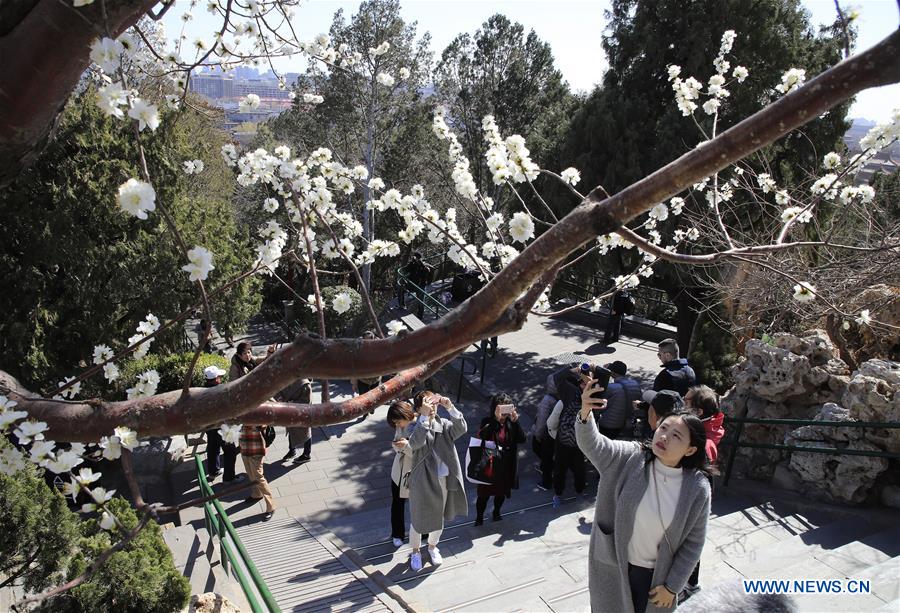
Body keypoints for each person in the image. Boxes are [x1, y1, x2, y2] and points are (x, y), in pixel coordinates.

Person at [577, 375, 713, 613]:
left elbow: (693, 543)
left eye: (676, 436)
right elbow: (595, 445)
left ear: (690, 449)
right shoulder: (630, 457)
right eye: (664, 428)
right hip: (613, 564)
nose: (664, 437)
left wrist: (672, 587)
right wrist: (585, 413)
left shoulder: (697, 488)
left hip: (656, 579)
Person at [406, 391, 468, 572]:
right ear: (419, 408)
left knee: (439, 517)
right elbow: (415, 444)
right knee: (418, 517)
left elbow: (461, 428)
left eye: (434, 403)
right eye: (427, 404)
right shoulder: (413, 427)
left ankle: (432, 547)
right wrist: (424, 418)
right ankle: (415, 551)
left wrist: (450, 407)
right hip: (422, 480)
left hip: (444, 478)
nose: (432, 407)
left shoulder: (444, 424)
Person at [547, 364, 609, 507]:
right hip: (562, 440)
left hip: (581, 443)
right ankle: (557, 494)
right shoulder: (570, 392)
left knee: (580, 470)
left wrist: (594, 368)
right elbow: (557, 378)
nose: (584, 384)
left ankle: (580, 492)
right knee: (559, 470)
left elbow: (605, 375)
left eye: (587, 381)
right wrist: (572, 370)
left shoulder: (595, 396)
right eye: (582, 381)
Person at [474, 393, 526, 526]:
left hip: (505, 466)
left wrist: (516, 422)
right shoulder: (487, 421)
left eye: (506, 409)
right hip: (489, 465)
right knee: (483, 495)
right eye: (500, 408)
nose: (504, 413)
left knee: (501, 493)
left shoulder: (511, 423)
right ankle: (479, 518)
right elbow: (483, 436)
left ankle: (497, 513)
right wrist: (496, 420)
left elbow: (522, 439)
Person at [387, 400, 416, 547]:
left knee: (419, 504)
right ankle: (397, 534)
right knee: (397, 504)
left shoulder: (420, 425)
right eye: (394, 423)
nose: (397, 425)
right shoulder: (399, 426)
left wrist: (405, 447)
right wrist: (399, 446)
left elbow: (422, 453)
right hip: (399, 472)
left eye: (398, 421)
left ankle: (422, 532)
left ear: (406, 415)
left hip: (417, 471)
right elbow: (397, 447)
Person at [202, 366, 238, 481]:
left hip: (209, 427)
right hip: (223, 428)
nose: (221, 379)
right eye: (220, 377)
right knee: (230, 451)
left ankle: (213, 471)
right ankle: (229, 478)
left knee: (213, 448)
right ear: (216, 379)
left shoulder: (201, 392)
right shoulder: (222, 391)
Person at [239, 424, 276, 521]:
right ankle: (257, 494)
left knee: (258, 476)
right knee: (250, 473)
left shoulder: (258, 411)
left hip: (256, 447)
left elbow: (264, 424)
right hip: (244, 445)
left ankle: (270, 505)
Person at [684, 385, 725, 464]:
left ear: (698, 412)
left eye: (686, 402)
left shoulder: (705, 444)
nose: (681, 405)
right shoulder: (702, 429)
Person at [532, 373, 559, 491]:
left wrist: (538, 434)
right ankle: (546, 466)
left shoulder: (548, 400)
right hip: (559, 433)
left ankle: (546, 481)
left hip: (548, 433)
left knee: (541, 451)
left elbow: (542, 419)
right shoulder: (567, 395)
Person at [279, 377, 313, 463]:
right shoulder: (288, 378)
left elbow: (306, 402)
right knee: (291, 430)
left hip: (302, 414)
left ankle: (306, 454)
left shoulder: (304, 384)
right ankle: (292, 451)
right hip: (290, 412)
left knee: (306, 433)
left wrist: (290, 403)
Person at [351, 331, 381, 421]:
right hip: (362, 380)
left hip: (375, 379)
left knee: (374, 397)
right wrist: (354, 383)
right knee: (363, 398)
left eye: (370, 339)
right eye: (366, 340)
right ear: (363, 339)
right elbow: (354, 369)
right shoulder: (358, 351)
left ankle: (372, 407)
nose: (368, 342)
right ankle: (365, 412)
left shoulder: (378, 348)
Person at [404, 251, 433, 317]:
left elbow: (426, 273)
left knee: (421, 302)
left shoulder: (425, 267)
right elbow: (406, 269)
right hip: (413, 284)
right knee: (401, 289)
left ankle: (420, 315)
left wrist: (421, 264)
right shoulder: (413, 264)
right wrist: (412, 263)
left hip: (421, 286)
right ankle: (402, 304)